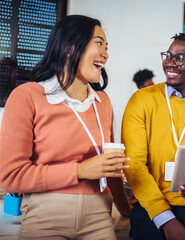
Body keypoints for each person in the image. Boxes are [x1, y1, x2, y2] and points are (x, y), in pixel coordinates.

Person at [0, 15, 131, 239]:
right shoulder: (28, 96)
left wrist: (128, 211)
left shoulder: (103, 102)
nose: (106, 54)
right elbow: (12, 177)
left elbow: (111, 168)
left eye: (107, 47)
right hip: (45, 217)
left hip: (99, 215)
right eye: (99, 43)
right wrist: (80, 170)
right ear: (70, 47)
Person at [122, 32, 185, 240]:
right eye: (168, 55)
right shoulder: (141, 101)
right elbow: (134, 166)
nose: (170, 63)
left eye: (181, 58)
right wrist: (165, 218)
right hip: (151, 209)